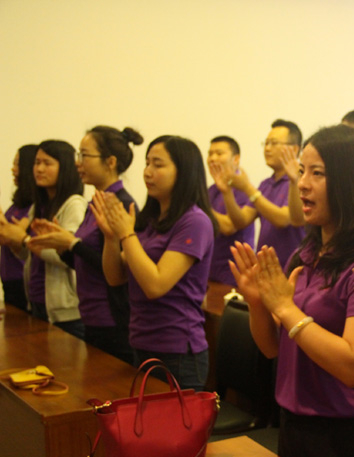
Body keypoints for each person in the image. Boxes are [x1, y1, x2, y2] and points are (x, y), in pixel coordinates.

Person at [229, 124, 354, 457]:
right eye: (302, 171)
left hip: (344, 439)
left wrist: (286, 308)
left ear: (349, 183)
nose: (302, 183)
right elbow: (273, 347)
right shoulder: (306, 255)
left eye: (317, 173)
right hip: (293, 427)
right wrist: (258, 301)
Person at [93, 135, 217, 390]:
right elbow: (116, 277)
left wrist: (126, 235)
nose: (147, 172)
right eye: (147, 163)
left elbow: (156, 285)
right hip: (142, 342)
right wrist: (110, 238)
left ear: (183, 172)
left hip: (178, 351)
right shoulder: (152, 220)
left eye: (158, 165)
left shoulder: (194, 221)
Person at [28, 126, 142, 363]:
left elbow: (118, 270)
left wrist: (72, 243)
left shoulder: (120, 204)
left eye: (84, 155)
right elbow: (83, 263)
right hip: (91, 315)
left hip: (112, 318)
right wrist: (61, 245)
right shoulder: (95, 203)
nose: (78, 163)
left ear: (110, 162)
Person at [0, 140, 87, 337]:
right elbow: (27, 254)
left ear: (65, 167)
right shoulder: (39, 205)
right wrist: (12, 239)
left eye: (47, 163)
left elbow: (68, 256)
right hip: (37, 300)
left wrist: (24, 239)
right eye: (37, 163)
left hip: (65, 311)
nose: (39, 169)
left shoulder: (73, 204)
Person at [211, 121, 305, 271]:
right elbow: (241, 221)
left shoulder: (301, 181)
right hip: (266, 269)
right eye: (266, 143)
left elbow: (283, 219)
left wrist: (248, 188)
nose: (267, 149)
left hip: (292, 270)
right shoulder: (266, 184)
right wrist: (226, 192)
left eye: (274, 143)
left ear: (294, 149)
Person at [205, 135, 256, 285]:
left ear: (236, 159)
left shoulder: (244, 190)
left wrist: (201, 204)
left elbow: (229, 227)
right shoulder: (211, 191)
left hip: (234, 276)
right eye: (210, 154)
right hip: (210, 274)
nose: (213, 158)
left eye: (219, 153)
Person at [0, 144, 37, 312]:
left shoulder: (34, 206)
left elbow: (9, 235)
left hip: (22, 278)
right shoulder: (16, 205)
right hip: (9, 277)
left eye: (17, 164)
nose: (13, 169)